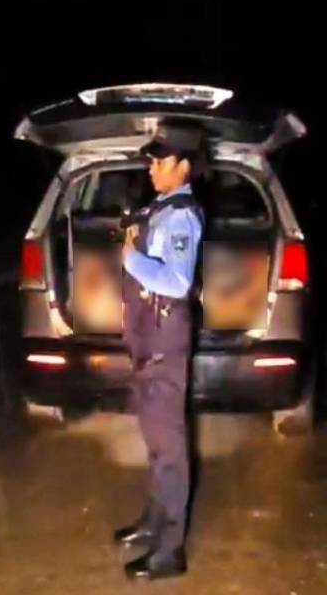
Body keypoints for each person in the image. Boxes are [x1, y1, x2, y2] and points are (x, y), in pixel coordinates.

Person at [113, 121, 205, 581]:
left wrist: (130, 259)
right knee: (155, 441)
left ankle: (170, 550)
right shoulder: (160, 208)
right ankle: (154, 521)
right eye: (150, 160)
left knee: (168, 448)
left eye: (161, 160)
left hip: (164, 346)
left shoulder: (181, 216)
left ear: (184, 166)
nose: (152, 168)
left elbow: (177, 281)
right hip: (148, 341)